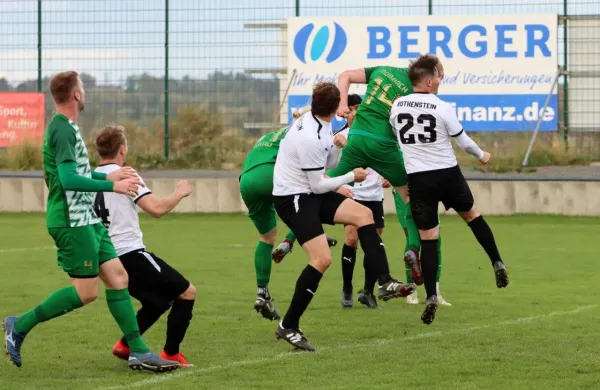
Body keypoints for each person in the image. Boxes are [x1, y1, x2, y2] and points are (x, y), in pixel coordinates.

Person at [3, 71, 178, 372]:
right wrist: (113, 186)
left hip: (88, 219)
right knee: (87, 292)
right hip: (72, 221)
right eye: (82, 88)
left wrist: (108, 175)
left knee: (118, 277)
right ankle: (19, 325)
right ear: (76, 95)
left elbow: (78, 174)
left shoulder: (67, 127)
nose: (84, 92)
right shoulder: (62, 130)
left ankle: (138, 350)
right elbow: (69, 180)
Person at [272, 82, 415, 351]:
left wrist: (338, 148)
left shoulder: (317, 123)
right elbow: (317, 184)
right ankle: (289, 324)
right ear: (338, 108)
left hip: (309, 192)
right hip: (294, 198)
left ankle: (384, 283)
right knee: (322, 259)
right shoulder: (310, 136)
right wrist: (351, 176)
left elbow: (328, 164)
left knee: (363, 215)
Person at [389, 54, 509, 325]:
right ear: (430, 81)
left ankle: (431, 295)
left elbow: (394, 138)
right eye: (439, 77)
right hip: (448, 175)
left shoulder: (396, 107)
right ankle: (497, 262)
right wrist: (482, 155)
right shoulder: (441, 106)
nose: (441, 81)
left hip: (419, 179)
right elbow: (464, 142)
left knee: (428, 240)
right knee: (473, 218)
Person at [92, 124, 196, 367]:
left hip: (107, 257)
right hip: (129, 253)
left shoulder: (89, 178)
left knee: (157, 301)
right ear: (122, 149)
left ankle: (125, 345)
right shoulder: (125, 173)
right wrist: (180, 192)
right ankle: (172, 354)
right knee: (187, 292)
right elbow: (156, 208)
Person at [327, 65, 425, 288]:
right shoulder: (417, 90)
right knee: (413, 197)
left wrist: (340, 104)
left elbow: (345, 74)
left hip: (360, 145)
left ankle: (373, 288)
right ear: (428, 77)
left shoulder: (382, 70)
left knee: (321, 186)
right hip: (382, 148)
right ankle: (412, 248)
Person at [239, 112, 336, 322]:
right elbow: (315, 178)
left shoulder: (270, 135)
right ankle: (294, 239)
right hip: (272, 173)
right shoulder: (304, 135)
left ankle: (262, 293)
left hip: (247, 179)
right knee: (311, 198)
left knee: (266, 237)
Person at [335, 94, 382, 310]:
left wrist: (389, 174)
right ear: (346, 112)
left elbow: (388, 155)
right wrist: (339, 186)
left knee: (373, 243)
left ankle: (368, 292)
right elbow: (329, 167)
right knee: (352, 239)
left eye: (359, 108)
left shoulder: (377, 132)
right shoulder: (340, 137)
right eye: (351, 108)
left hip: (374, 195)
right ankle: (347, 287)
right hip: (353, 194)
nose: (355, 112)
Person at [391, 189, 451, 306]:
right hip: (404, 192)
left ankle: (434, 292)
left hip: (425, 191)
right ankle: (411, 291)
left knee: (435, 240)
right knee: (412, 240)